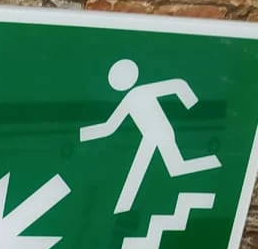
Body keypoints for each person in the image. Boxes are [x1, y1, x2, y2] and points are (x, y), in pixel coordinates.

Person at [80, 58, 221, 214]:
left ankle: (123, 206)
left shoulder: (137, 93)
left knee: (144, 168)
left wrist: (191, 102)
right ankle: (212, 161)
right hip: (154, 135)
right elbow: (110, 126)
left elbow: (177, 84)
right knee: (176, 167)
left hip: (159, 134)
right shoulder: (131, 97)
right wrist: (83, 134)